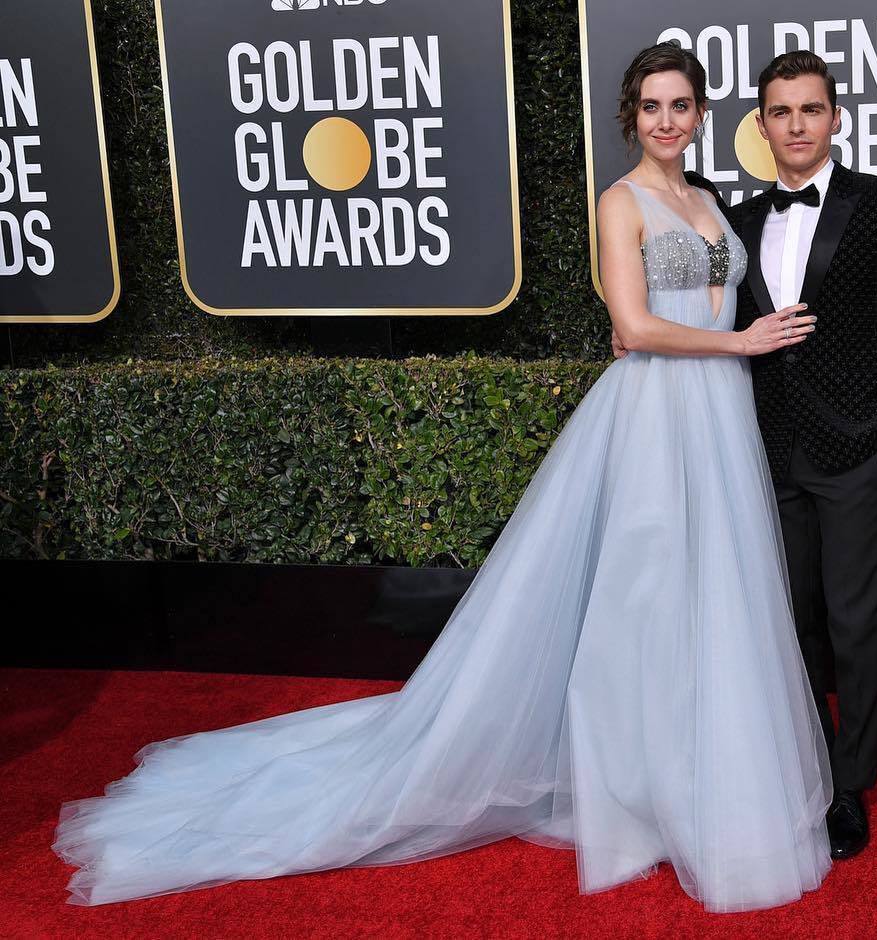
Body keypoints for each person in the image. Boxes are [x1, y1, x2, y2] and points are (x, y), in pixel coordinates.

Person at [53, 42, 832, 913]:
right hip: (657, 415)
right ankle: (634, 796)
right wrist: (736, 343)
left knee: (710, 593)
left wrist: (731, 344)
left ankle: (696, 774)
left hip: (719, 414)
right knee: (643, 597)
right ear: (631, 116)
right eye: (651, 106)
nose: (666, 120)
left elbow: (705, 299)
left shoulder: (710, 199)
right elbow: (636, 324)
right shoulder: (621, 202)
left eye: (680, 105)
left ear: (702, 114)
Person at [618, 51, 877, 861]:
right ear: (759, 125)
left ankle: (849, 787)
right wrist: (636, 336)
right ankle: (806, 772)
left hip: (857, 451)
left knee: (854, 623)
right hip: (763, 452)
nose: (796, 125)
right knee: (788, 625)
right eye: (781, 112)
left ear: (836, 118)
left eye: (811, 110)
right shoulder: (736, 217)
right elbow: (695, 309)